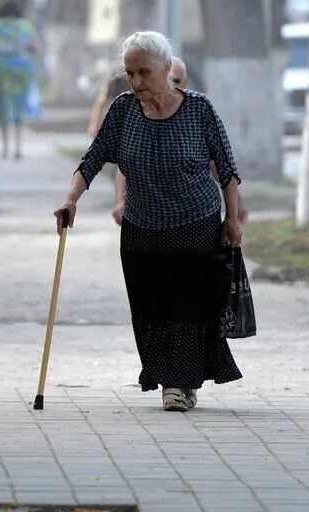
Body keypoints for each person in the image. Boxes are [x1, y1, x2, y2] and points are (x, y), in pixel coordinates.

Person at [60, 32, 246, 412]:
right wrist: (71, 199)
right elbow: (93, 159)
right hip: (142, 228)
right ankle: (176, 379)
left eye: (144, 72)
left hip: (196, 223)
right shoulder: (124, 111)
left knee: (186, 306)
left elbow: (227, 170)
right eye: (130, 73)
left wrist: (232, 219)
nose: (136, 81)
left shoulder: (199, 110)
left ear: (165, 68)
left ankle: (176, 385)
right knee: (150, 309)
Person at [88, 56, 189, 225]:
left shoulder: (190, 108)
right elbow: (102, 99)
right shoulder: (117, 74)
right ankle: (124, 202)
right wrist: (94, 125)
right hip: (124, 125)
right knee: (127, 163)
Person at [0, 1, 41, 160]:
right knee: (20, 108)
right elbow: (36, 47)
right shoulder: (26, 26)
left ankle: (4, 147)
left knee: (3, 108)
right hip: (22, 70)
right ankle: (19, 147)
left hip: (1, 69)